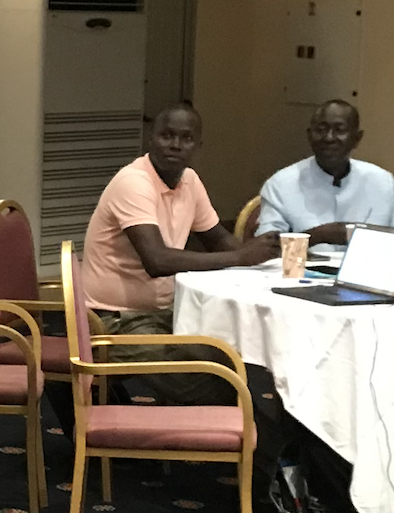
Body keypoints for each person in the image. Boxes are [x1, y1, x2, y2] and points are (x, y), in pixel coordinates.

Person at [77, 103, 277, 406]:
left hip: (165, 313)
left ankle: (214, 432)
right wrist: (241, 258)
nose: (175, 145)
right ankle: (244, 434)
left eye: (186, 138)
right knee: (205, 378)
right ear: (150, 138)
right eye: (166, 135)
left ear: (198, 145)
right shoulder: (133, 182)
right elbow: (157, 261)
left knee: (228, 357)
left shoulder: (190, 180)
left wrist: (264, 255)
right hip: (111, 321)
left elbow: (217, 238)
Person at [253, 99, 394, 245]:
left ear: (357, 138)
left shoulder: (382, 182)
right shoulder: (280, 185)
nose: (329, 138)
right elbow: (266, 247)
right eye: (321, 130)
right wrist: (318, 236)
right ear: (309, 136)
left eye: (339, 130)